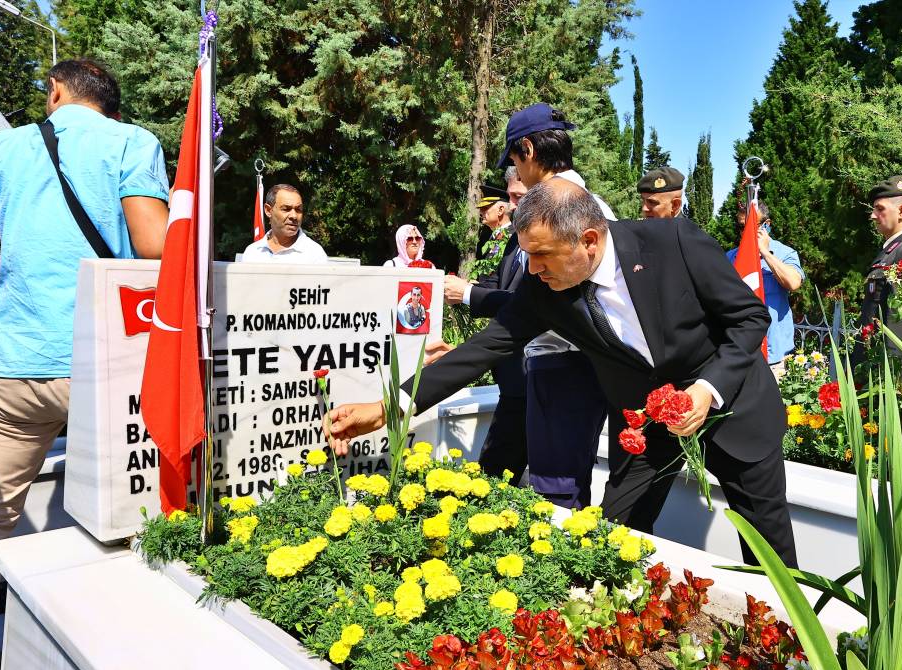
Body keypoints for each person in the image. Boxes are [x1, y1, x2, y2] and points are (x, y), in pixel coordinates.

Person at [327, 179, 796, 569]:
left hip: (734, 407)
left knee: (768, 555)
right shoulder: (545, 288)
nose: (532, 269)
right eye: (527, 254)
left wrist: (705, 390)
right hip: (646, 429)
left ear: (589, 241)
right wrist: (386, 408)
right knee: (613, 541)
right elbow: (480, 350)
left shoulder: (675, 243)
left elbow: (748, 319)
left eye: (543, 255)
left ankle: (789, 659)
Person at [0, 58, 169, 670]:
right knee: (132, 517)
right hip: (104, 363)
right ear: (108, 102)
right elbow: (155, 248)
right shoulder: (134, 143)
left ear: (54, 92)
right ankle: (127, 666)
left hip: (16, 364)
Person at [497, 102, 611, 508]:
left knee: (554, 489)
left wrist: (473, 296)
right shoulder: (585, 204)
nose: (517, 169)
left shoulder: (565, 208)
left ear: (527, 149)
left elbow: (543, 303)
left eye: (514, 158)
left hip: (563, 364)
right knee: (563, 482)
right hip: (576, 365)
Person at [439, 175, 528, 482]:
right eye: (510, 197)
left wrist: (466, 292)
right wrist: (463, 290)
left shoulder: (528, 238)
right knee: (497, 470)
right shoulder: (516, 239)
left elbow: (526, 304)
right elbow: (497, 283)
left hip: (534, 374)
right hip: (512, 373)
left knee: (503, 472)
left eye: (516, 197)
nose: (511, 206)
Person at [851, 175, 902, 368]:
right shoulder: (894, 249)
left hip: (889, 372)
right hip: (875, 365)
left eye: (880, 209)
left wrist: (896, 382)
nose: (872, 215)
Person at [727, 200, 804, 374]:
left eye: (751, 227)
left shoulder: (785, 254)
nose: (745, 233)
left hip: (774, 356)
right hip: (739, 351)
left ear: (766, 225)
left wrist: (765, 253)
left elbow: (793, 283)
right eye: (741, 227)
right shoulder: (731, 258)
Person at [239, 183, 328, 263]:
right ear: (268, 210)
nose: (294, 216)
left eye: (298, 210)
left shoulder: (314, 254)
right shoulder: (252, 253)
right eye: (286, 209)